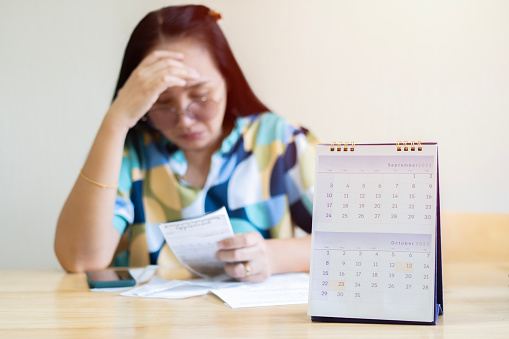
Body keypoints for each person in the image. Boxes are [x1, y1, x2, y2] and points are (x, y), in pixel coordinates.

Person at [54, 5, 319, 283]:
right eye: (162, 103)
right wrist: (116, 120)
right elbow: (81, 259)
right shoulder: (130, 151)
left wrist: (274, 256)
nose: (185, 120)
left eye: (201, 96)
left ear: (228, 80)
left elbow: (354, 240)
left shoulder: (280, 142)